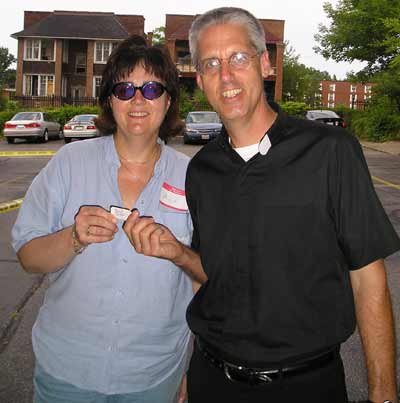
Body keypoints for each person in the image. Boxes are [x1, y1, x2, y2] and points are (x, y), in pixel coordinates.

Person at [123, 7, 400, 403]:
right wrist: (178, 254)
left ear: (265, 64)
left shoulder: (329, 152)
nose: (226, 76)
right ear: (199, 78)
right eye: (211, 64)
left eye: (239, 58)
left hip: (306, 385)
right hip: (212, 379)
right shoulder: (202, 170)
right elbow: (212, 275)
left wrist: (384, 395)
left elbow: (368, 278)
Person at [12, 35, 193, 403]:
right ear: (110, 100)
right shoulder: (69, 163)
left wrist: (193, 367)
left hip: (153, 374)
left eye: (152, 88)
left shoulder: (194, 177)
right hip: (67, 372)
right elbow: (28, 258)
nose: (138, 100)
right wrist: (72, 238)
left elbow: (202, 281)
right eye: (124, 89)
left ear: (169, 99)